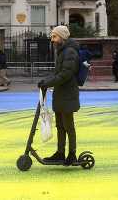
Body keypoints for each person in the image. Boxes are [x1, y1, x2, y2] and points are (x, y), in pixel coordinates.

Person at [38, 25, 80, 166]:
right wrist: (46, 81)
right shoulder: (62, 52)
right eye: (52, 37)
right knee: (60, 126)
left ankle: (72, 154)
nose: (52, 40)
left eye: (54, 37)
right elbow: (58, 73)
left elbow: (65, 74)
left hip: (68, 95)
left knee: (69, 126)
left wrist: (49, 83)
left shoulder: (70, 52)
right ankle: (60, 153)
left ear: (62, 37)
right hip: (61, 94)